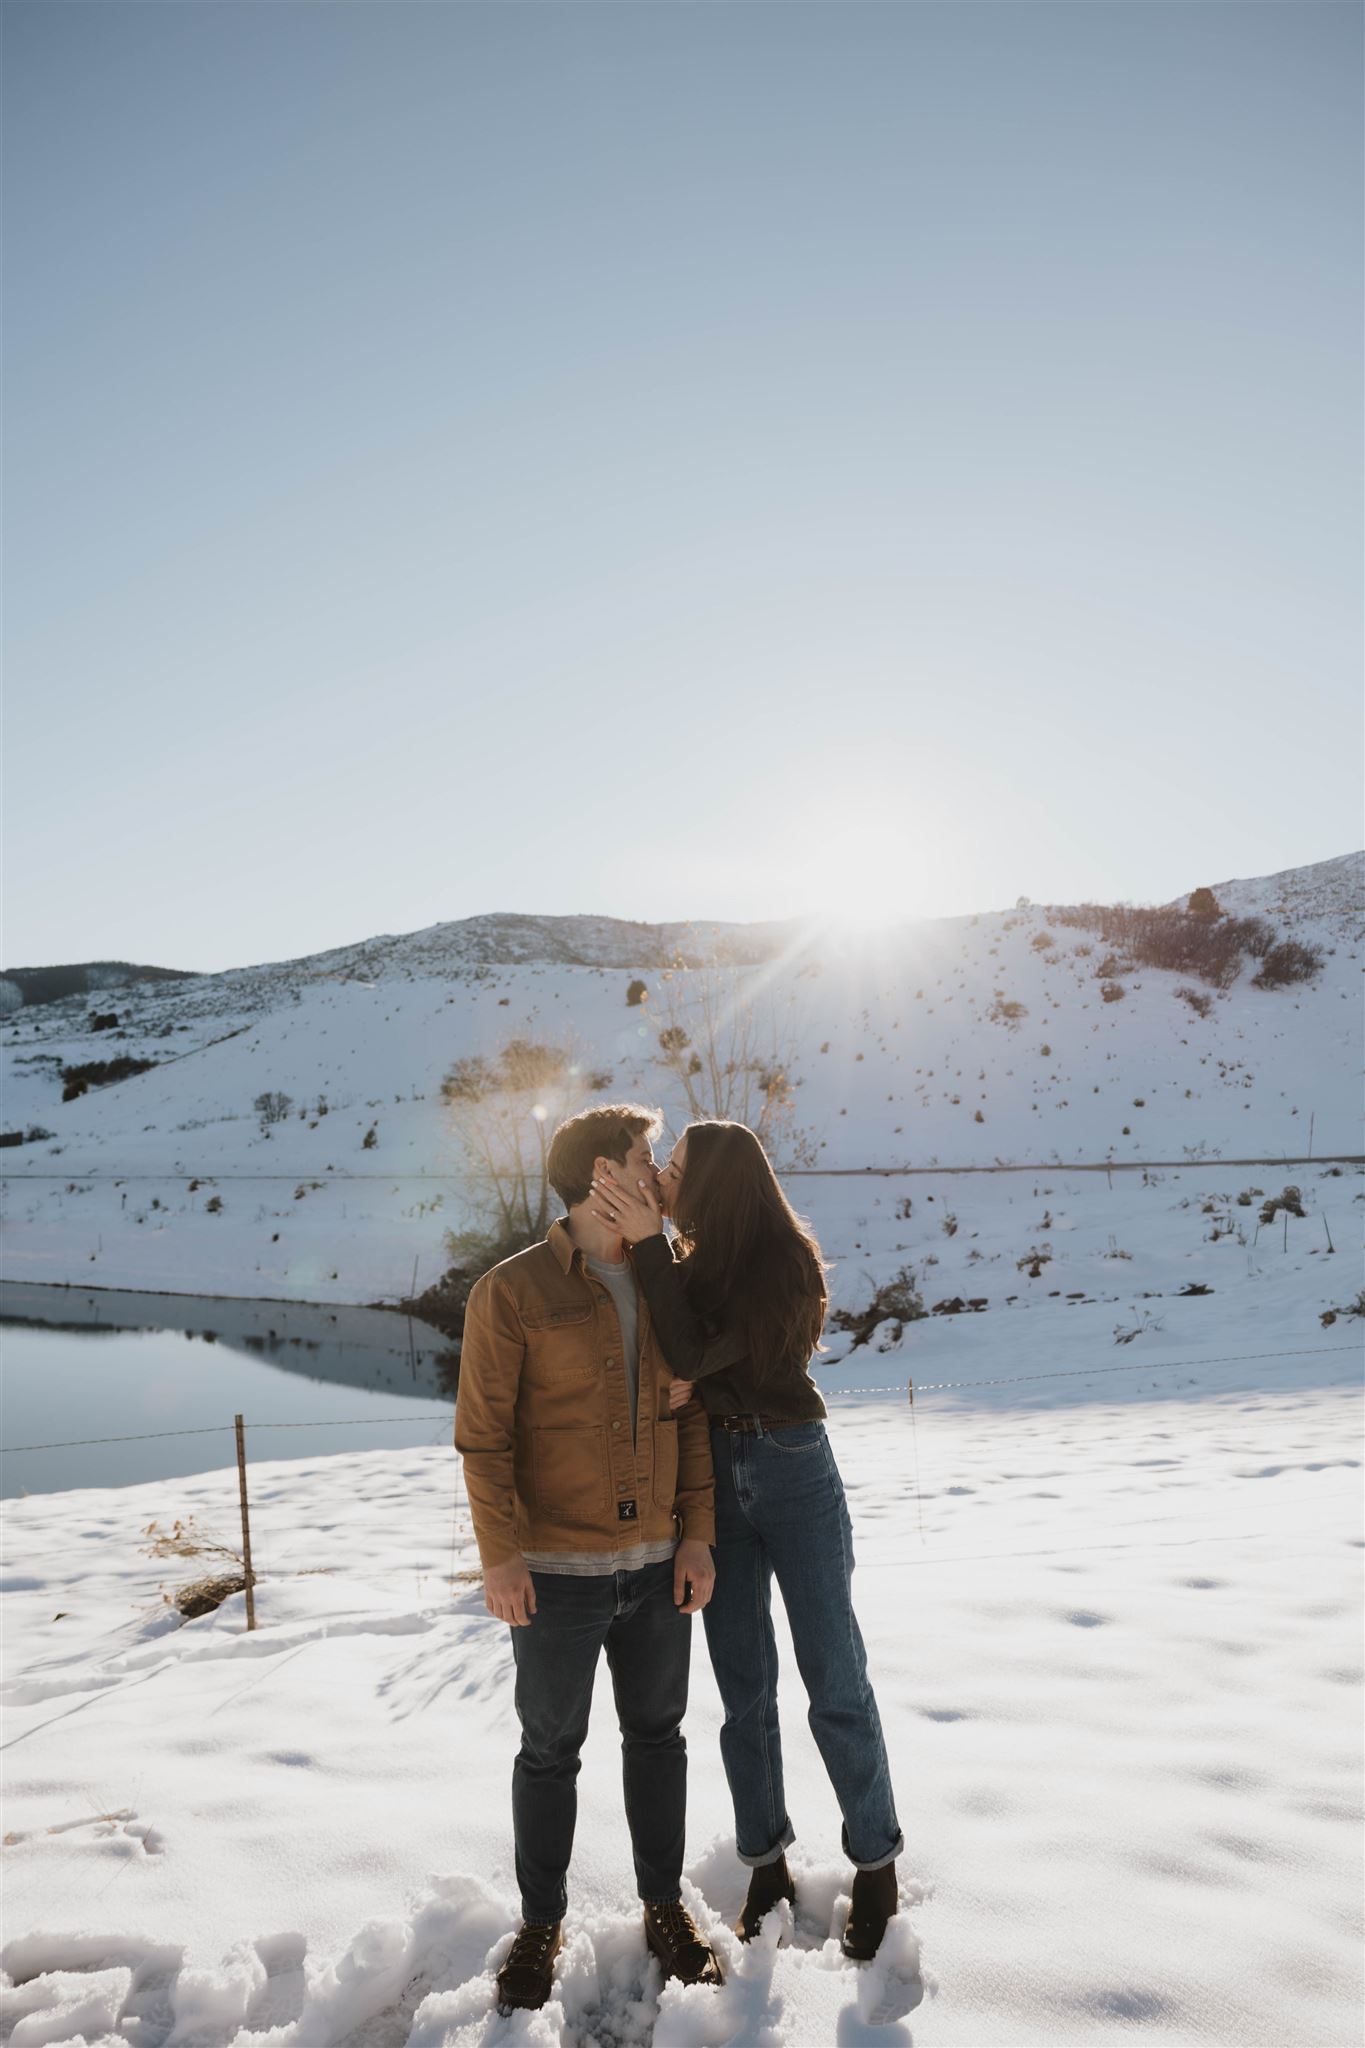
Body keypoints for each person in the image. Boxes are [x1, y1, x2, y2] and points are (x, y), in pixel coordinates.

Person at [590, 1118, 904, 1962]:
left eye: (676, 1169)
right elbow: (675, 1360)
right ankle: (764, 1862)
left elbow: (691, 1347)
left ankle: (874, 1860)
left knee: (833, 1674)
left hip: (792, 1465)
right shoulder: (692, 1264)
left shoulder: (783, 1263)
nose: (663, 1180)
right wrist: (686, 1344)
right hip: (716, 1472)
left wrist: (669, 1288)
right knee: (742, 1686)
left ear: (717, 1183)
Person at [455, 1103, 725, 2015]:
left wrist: (696, 1533)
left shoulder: (665, 1275)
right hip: (557, 1572)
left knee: (659, 1741)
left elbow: (690, 1418)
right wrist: (501, 1559)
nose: (657, 1176)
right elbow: (483, 1439)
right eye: (647, 1160)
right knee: (548, 1751)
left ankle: (663, 1910)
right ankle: (541, 1923)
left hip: (656, 1568)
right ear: (604, 1177)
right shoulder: (513, 1291)